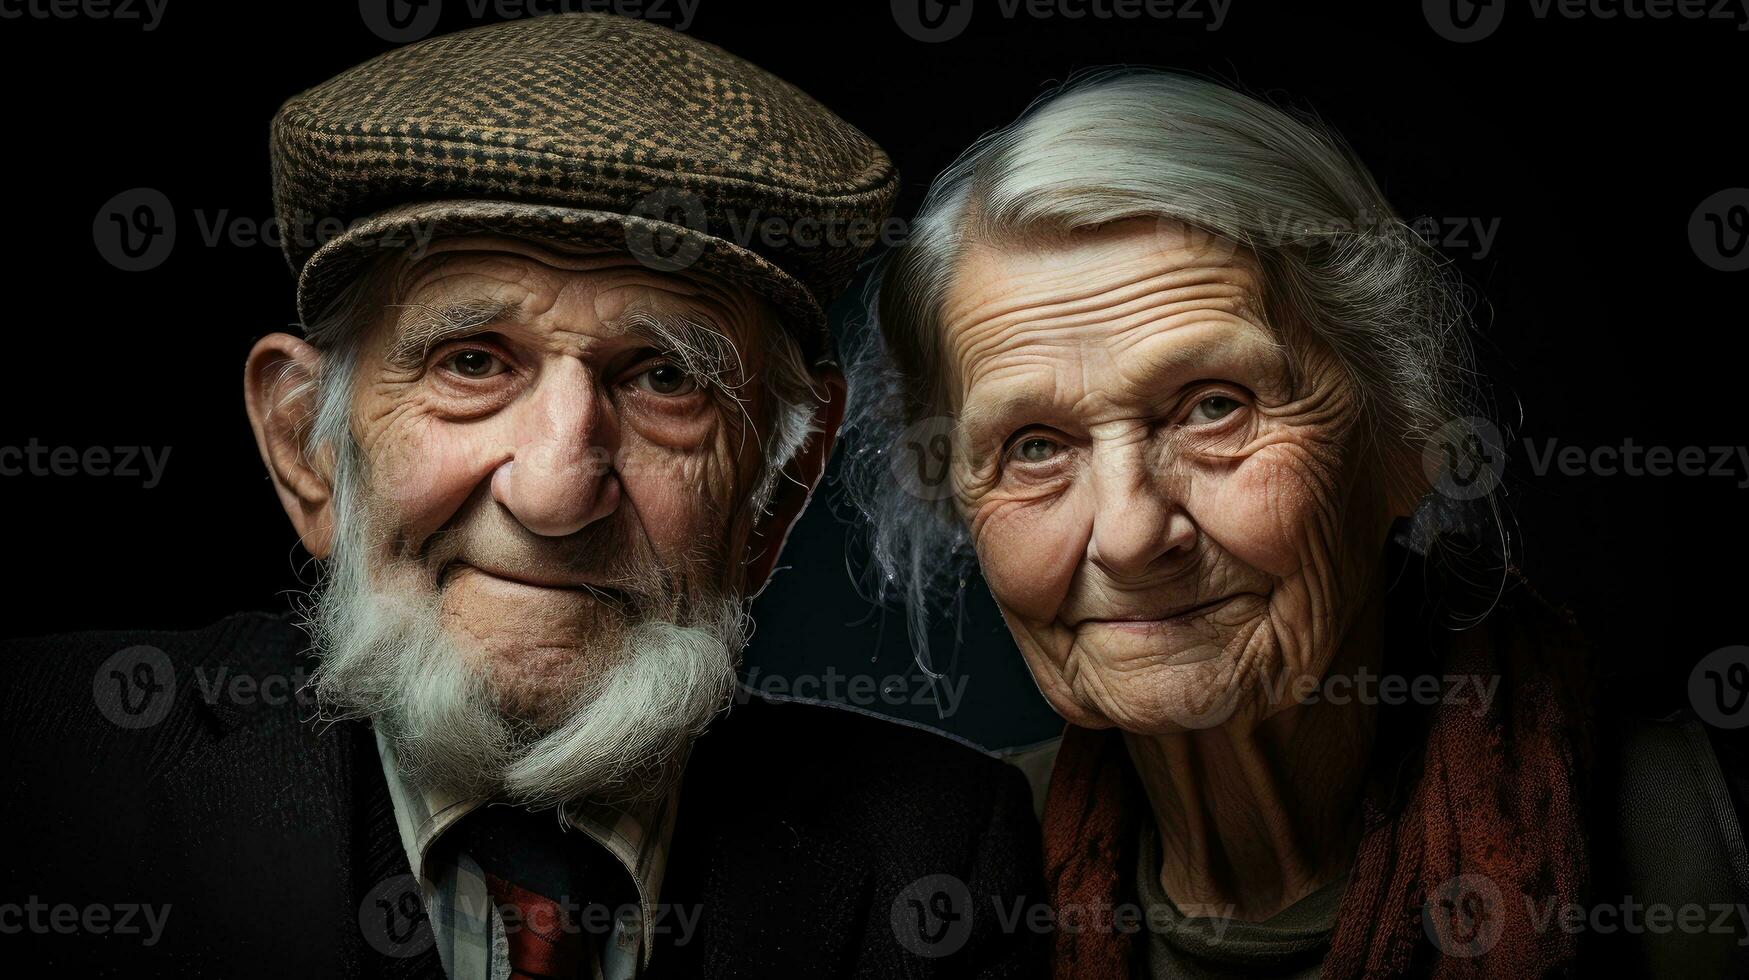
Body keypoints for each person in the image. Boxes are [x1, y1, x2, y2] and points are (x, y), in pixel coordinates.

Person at [0, 16, 1044, 978]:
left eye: (664, 379)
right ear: (303, 448)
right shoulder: (44, 765)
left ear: (776, 491)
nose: (554, 492)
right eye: (470, 361)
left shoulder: (939, 853)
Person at [843, 69, 1749, 978]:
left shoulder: (1696, 847)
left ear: (1406, 432)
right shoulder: (950, 883)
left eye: (1212, 408)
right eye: (1034, 446)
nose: (1126, 535)